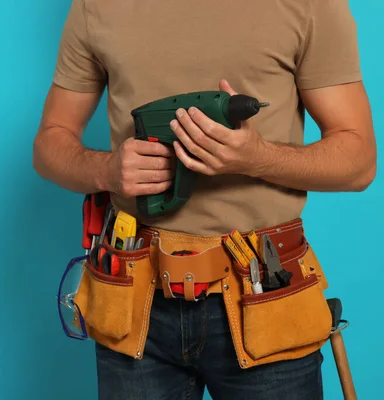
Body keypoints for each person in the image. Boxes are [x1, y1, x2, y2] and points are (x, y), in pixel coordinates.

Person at [33, 0, 376, 399]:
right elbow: (49, 145)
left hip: (263, 299)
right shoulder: (97, 6)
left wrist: (257, 158)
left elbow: (359, 162)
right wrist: (107, 171)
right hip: (134, 302)